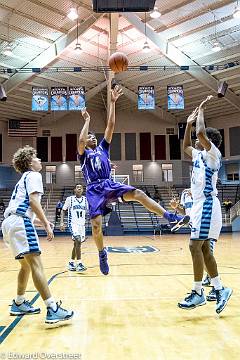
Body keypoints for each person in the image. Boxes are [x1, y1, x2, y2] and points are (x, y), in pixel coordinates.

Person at [77, 84, 189, 275]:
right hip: (94, 189)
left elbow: (110, 125)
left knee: (138, 193)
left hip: (108, 184)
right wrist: (87, 120)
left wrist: (112, 102)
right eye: (90, 137)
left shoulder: (103, 149)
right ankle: (102, 254)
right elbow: (80, 141)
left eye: (94, 137)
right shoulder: (83, 154)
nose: (93, 138)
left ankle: (170, 216)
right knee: (96, 226)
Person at [1, 146, 73, 325]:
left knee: (25, 266)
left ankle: (18, 303)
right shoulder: (33, 175)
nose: (40, 160)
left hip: (9, 224)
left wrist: (41, 222)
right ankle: (52, 308)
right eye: (37, 158)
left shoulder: (22, 179)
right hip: (19, 223)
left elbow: (23, 209)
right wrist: (47, 224)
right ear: (29, 162)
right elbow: (33, 202)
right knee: (36, 265)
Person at [178, 95, 232, 314]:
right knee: (203, 250)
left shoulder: (213, 154)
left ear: (208, 141)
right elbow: (185, 147)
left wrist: (201, 110)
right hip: (201, 206)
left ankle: (199, 292)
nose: (198, 140)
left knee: (194, 246)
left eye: (202, 138)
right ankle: (220, 289)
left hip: (208, 204)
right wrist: (188, 124)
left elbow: (200, 133)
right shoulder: (199, 155)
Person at [60, 184, 87, 273]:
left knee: (76, 244)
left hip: (82, 225)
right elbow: (63, 210)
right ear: (74, 190)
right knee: (78, 240)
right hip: (73, 224)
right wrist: (62, 222)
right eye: (77, 187)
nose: (79, 188)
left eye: (81, 187)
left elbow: (89, 212)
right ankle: (79, 264)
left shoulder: (85, 200)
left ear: (82, 190)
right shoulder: (70, 199)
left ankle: (71, 262)